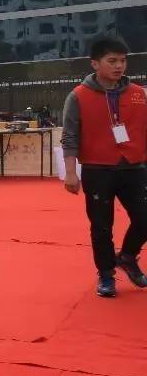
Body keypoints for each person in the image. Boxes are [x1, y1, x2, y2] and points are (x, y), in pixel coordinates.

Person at [61, 35, 147, 298]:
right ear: (95, 64)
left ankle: (128, 256)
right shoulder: (78, 96)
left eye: (122, 60)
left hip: (134, 166)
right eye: (112, 60)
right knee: (101, 226)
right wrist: (71, 172)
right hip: (98, 169)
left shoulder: (139, 94)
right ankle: (107, 274)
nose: (119, 66)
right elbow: (70, 135)